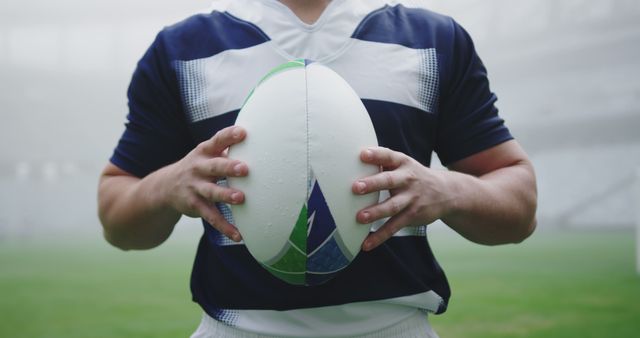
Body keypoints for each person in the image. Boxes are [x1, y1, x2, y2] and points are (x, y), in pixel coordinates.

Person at [98, 0, 537, 337]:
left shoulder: (432, 41)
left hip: (396, 327)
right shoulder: (182, 51)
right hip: (236, 329)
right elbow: (117, 220)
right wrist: (165, 186)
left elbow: (519, 207)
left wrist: (450, 191)